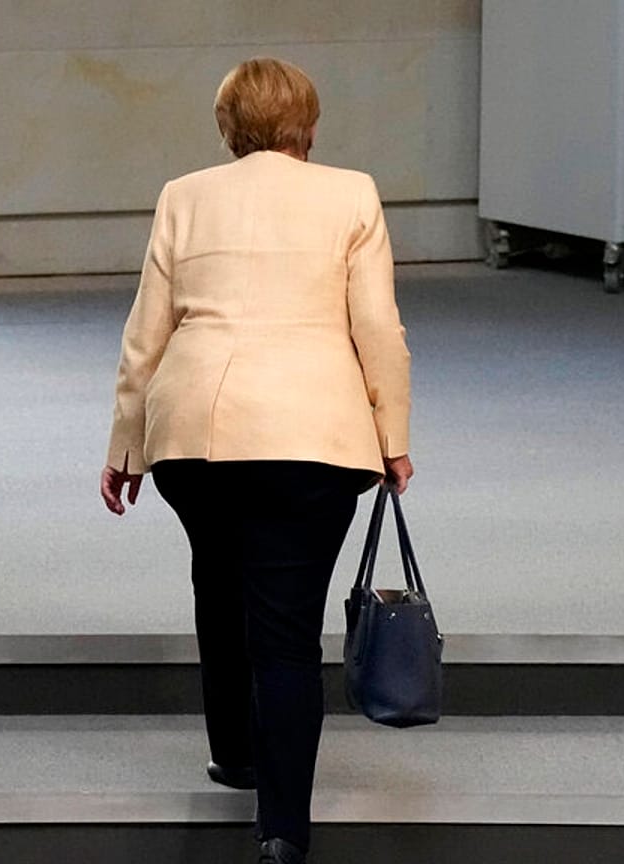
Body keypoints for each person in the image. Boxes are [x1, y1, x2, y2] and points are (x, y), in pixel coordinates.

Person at [99, 57, 413, 864]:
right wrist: (393, 434)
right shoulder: (350, 193)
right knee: (285, 630)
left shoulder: (184, 195)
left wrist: (125, 444)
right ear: (309, 126)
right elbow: (377, 327)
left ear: (226, 128)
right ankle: (282, 830)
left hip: (194, 431)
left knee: (218, 577)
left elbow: (147, 335)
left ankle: (233, 754)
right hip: (312, 435)